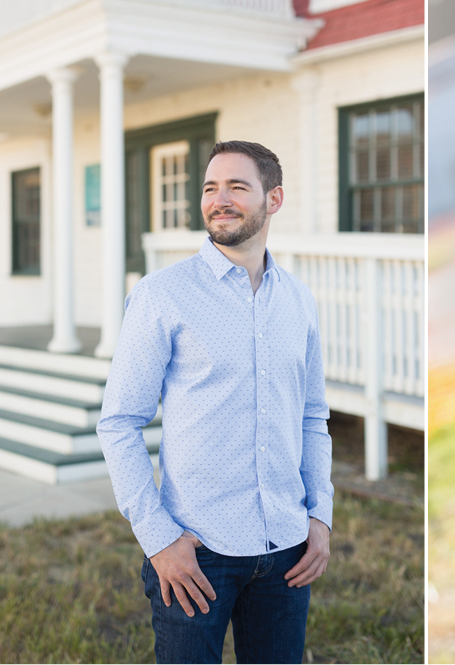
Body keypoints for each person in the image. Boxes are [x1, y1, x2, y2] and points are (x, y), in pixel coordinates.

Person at [96, 140, 333, 664]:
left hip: (287, 550)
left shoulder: (298, 299)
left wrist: (321, 517)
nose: (219, 199)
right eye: (210, 188)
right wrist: (158, 540)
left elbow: (312, 415)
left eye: (236, 187)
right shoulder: (163, 295)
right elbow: (118, 423)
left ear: (274, 200)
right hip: (197, 554)